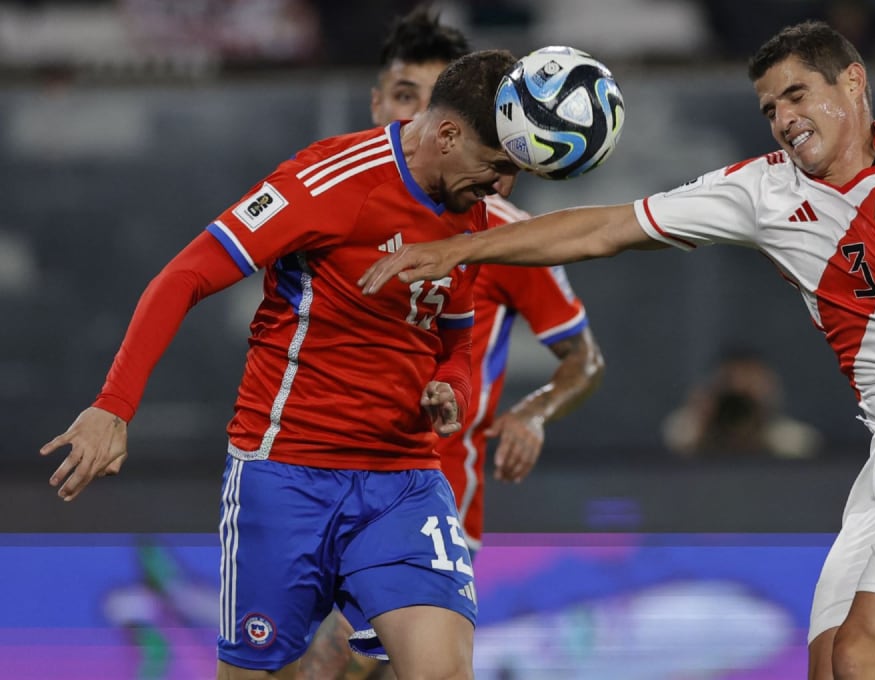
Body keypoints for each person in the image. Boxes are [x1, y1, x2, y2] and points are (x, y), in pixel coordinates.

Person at [358, 21, 875, 679]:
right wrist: (462, 250)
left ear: (854, 85)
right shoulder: (761, 191)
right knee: (831, 666)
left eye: (797, 95)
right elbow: (606, 227)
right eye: (770, 106)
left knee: (866, 656)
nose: (783, 118)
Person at [39, 49, 522, 679]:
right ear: (450, 136)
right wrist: (115, 404)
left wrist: (451, 386)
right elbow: (184, 276)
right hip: (288, 475)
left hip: (404, 480)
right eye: (498, 166)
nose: (503, 186)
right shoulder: (327, 182)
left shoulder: (470, 207)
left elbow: (457, 340)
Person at [296, 7, 606, 679]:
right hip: (316, 474)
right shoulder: (333, 200)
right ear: (378, 103)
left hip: (430, 495)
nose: (421, 116)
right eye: (404, 95)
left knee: (337, 661)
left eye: (435, 100)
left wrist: (534, 412)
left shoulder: (503, 233)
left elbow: (585, 358)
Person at [662, 347, 820, 458]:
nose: (740, 391)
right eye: (731, 381)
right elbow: (677, 444)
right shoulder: (691, 429)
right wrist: (704, 421)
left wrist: (759, 428)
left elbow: (804, 449)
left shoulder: (790, 439)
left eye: (749, 383)